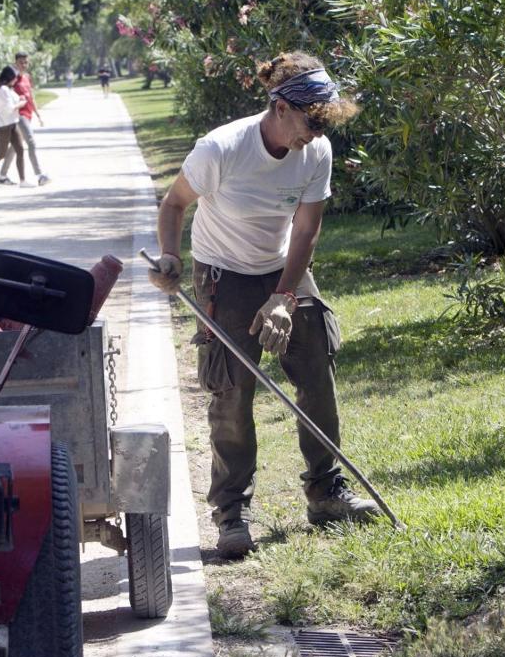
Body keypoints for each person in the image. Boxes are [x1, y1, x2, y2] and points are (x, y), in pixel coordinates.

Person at [148, 51, 378, 559]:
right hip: (222, 272)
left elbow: (307, 229)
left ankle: (326, 492)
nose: (315, 134)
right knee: (232, 390)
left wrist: (286, 296)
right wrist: (169, 256)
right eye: (309, 121)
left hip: (282, 267)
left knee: (316, 367)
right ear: (279, 106)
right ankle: (232, 512)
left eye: (323, 123)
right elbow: (174, 204)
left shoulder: (317, 152)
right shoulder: (222, 149)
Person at [0, 52, 50, 187]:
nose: (24, 65)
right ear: (15, 63)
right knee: (31, 142)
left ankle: (2, 176)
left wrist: (37, 114)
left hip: (28, 115)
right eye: (21, 62)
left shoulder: (27, 77)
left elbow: (30, 97)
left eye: (26, 62)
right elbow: (3, 95)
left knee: (15, 147)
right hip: (18, 115)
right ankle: (40, 175)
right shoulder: (12, 78)